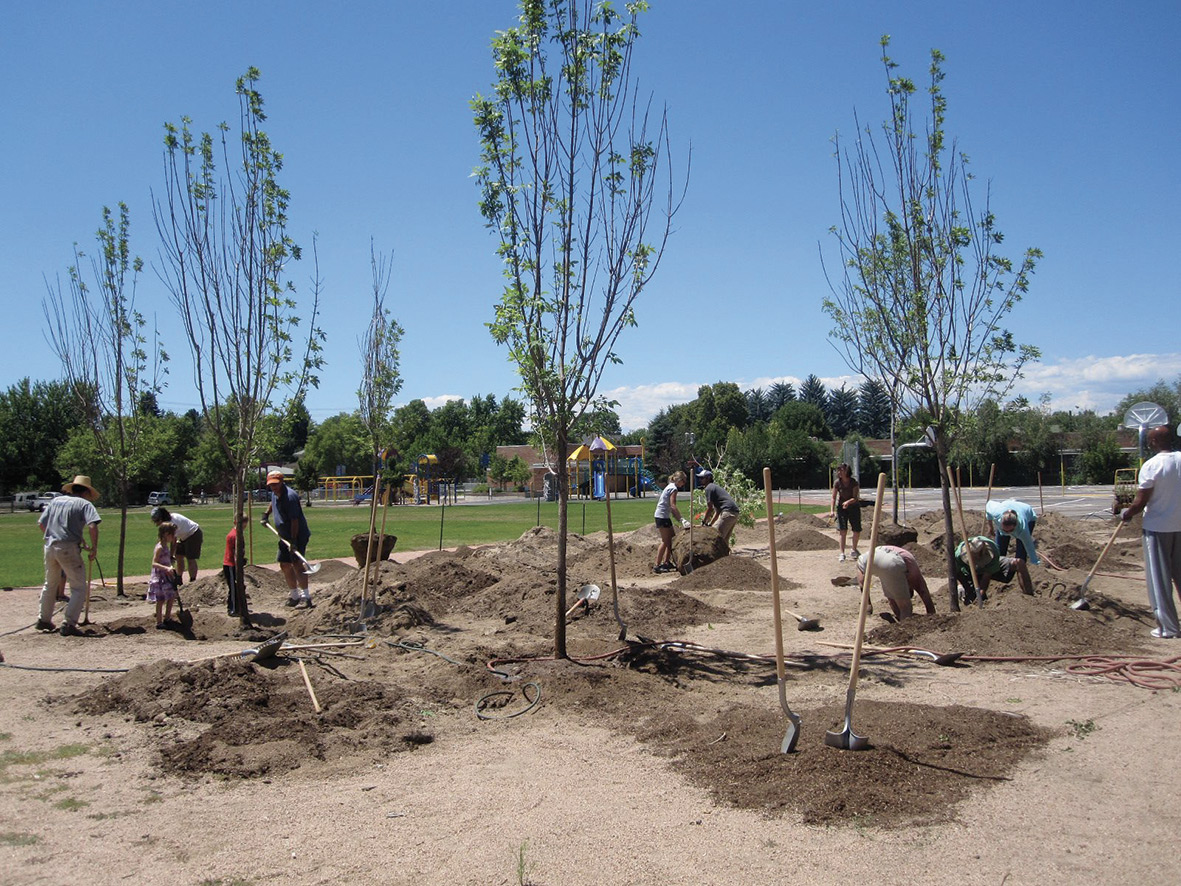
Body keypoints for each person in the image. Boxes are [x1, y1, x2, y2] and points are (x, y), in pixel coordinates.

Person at [1117, 424, 1181, 639]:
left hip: (1158, 528)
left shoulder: (1152, 465)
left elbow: (1140, 500)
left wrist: (1127, 513)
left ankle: (1168, 628)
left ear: (1153, 442)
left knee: (1159, 579)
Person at [36, 474, 101, 637]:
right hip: (68, 548)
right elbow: (93, 526)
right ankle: (69, 622)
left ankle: (43, 619)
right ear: (86, 492)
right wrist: (94, 548)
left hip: (50, 546)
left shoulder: (56, 501)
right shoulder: (84, 504)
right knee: (79, 587)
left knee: (50, 584)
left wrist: (55, 536)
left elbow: (41, 524)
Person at [262, 469, 313, 607]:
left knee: (296, 563)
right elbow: (273, 503)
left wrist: (293, 541)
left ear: (282, 482)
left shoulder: (290, 497)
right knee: (284, 564)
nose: (273, 487)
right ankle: (294, 595)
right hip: (284, 536)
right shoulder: (275, 493)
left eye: (276, 484)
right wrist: (266, 514)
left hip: (297, 535)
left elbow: (295, 521)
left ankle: (306, 597)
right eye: (271, 485)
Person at [856, 545, 937, 620]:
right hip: (892, 560)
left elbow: (892, 601)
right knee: (905, 607)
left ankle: (867, 605)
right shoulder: (912, 572)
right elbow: (923, 591)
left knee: (893, 596)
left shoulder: (891, 577)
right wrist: (932, 614)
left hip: (867, 557)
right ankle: (905, 627)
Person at [954, 535, 1033, 604]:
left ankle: (1029, 598)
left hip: (989, 567)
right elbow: (956, 572)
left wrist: (981, 593)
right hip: (970, 572)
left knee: (1019, 563)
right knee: (971, 594)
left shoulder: (993, 550)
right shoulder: (958, 555)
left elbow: (986, 576)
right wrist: (960, 585)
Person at [149, 506, 203, 582]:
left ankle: (192, 580)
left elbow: (173, 541)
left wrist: (171, 555)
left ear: (161, 518)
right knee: (179, 556)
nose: (157, 524)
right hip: (183, 536)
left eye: (157, 521)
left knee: (190, 558)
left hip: (193, 533)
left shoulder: (172, 523)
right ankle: (178, 578)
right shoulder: (168, 522)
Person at [652, 471, 689, 573]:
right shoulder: (673, 488)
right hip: (662, 517)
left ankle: (666, 562)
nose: (684, 483)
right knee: (665, 541)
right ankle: (657, 565)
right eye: (684, 481)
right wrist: (682, 519)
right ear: (680, 480)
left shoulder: (670, 486)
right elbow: (673, 506)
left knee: (672, 539)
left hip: (664, 516)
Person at [985, 498, 1040, 566]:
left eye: (1011, 530)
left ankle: (1019, 569)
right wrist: (990, 527)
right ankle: (999, 570)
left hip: (1027, 513)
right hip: (1005, 506)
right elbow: (988, 505)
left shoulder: (1022, 528)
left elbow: (1029, 546)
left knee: (1021, 553)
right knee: (999, 551)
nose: (1008, 532)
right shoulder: (996, 513)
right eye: (1005, 530)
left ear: (1016, 525)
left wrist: (1035, 561)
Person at [696, 469, 740, 546]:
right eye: (699, 478)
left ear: (708, 478)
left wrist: (703, 523)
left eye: (702, 478)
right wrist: (710, 524)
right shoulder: (714, 487)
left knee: (714, 536)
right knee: (724, 541)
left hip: (728, 512)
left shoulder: (709, 488)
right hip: (734, 513)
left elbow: (710, 508)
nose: (700, 480)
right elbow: (717, 512)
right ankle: (725, 557)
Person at [149, 522, 180, 629]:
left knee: (171, 596)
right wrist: (166, 568)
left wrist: (170, 563)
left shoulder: (166, 547)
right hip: (160, 577)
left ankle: (167, 617)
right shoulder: (160, 548)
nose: (174, 537)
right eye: (172, 535)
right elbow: (154, 563)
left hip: (168, 576)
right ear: (166, 534)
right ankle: (159, 622)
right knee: (160, 600)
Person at [830, 463, 861, 562]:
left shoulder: (853, 482)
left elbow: (855, 498)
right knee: (842, 531)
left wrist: (848, 502)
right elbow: (833, 497)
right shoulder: (837, 483)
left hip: (854, 507)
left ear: (847, 471)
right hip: (841, 509)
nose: (839, 472)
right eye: (838, 470)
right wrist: (832, 510)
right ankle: (842, 553)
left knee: (856, 530)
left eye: (841, 470)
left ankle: (853, 549)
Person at [222, 514, 243, 617]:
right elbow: (235, 552)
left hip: (234, 564)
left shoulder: (238, 534)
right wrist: (238, 562)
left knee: (237, 587)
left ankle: (237, 607)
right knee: (233, 588)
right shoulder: (233, 535)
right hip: (230, 564)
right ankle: (232, 609)